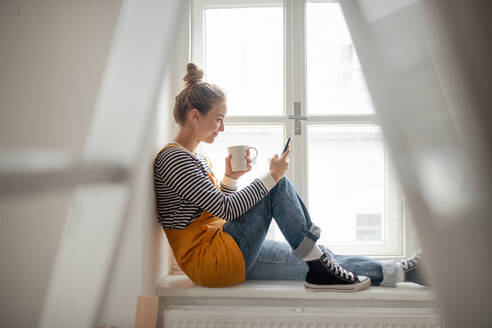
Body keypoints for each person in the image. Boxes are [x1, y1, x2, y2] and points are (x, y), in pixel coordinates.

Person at [153, 63, 426, 291]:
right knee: (277, 185)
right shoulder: (173, 158)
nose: (222, 127)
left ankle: (404, 272)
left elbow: (215, 211)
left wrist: (230, 178)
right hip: (210, 260)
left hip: (223, 247)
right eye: (218, 119)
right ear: (194, 116)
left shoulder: (196, 158)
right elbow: (226, 208)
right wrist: (271, 177)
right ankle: (317, 260)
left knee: (317, 259)